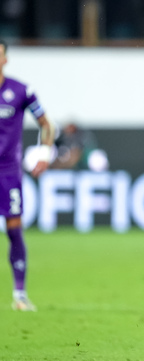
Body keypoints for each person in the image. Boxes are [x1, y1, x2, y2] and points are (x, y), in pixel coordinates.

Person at [0, 39, 55, 311]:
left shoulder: (20, 91)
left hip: (8, 173)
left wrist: (43, 155)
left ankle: (20, 295)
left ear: (5, 59)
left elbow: (47, 125)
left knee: (14, 230)